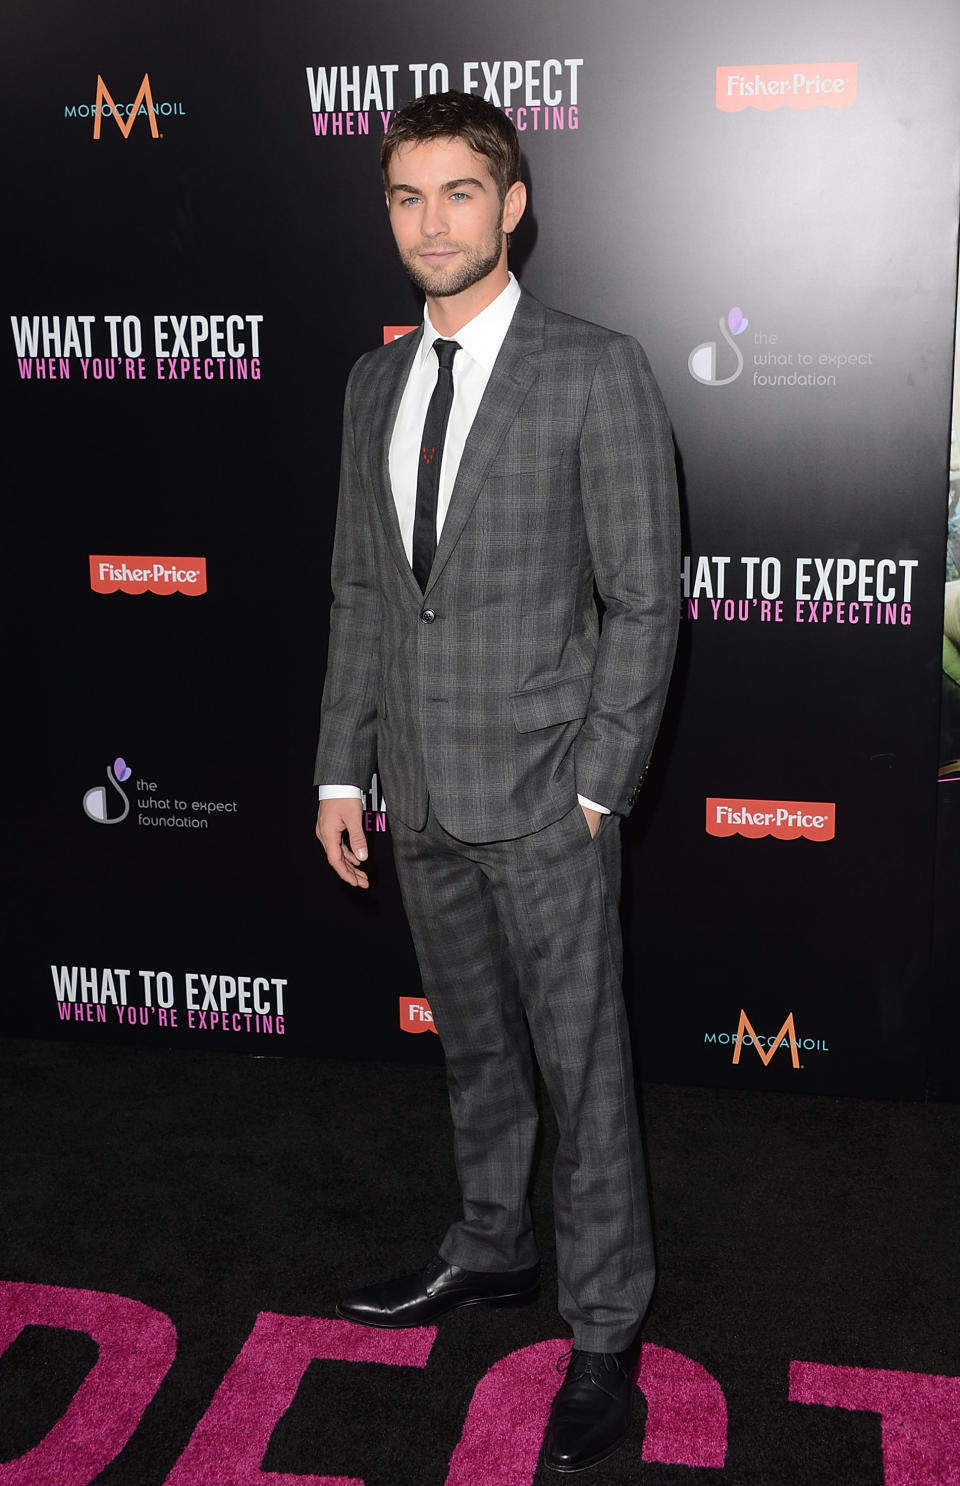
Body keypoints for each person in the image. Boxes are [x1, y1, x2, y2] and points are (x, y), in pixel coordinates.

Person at [315, 90, 680, 1474]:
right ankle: (489, 1245)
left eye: (459, 193)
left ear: (513, 203)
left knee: (586, 1080)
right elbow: (362, 590)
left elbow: (646, 601)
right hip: (418, 793)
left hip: (545, 803)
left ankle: (603, 1328)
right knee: (475, 1053)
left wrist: (598, 786)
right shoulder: (371, 382)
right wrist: (339, 770)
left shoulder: (596, 368)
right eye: (407, 197)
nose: (431, 222)